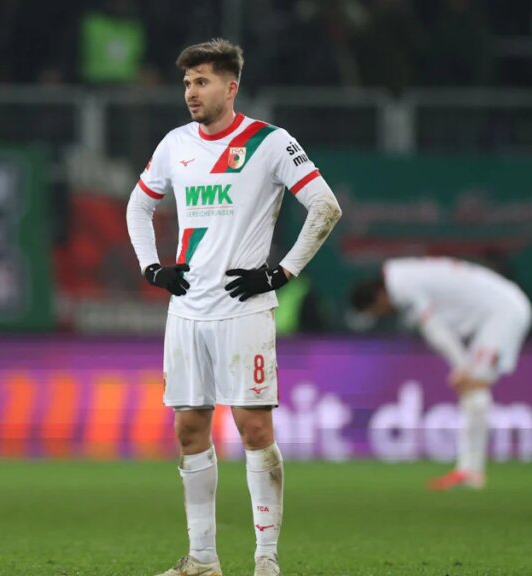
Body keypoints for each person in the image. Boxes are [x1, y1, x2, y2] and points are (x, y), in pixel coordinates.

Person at [126, 38, 343, 576]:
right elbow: (138, 205)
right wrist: (151, 267)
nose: (190, 92)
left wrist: (281, 272)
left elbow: (325, 206)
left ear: (231, 87)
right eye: (186, 82)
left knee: (254, 430)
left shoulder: (270, 142)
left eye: (201, 82)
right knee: (189, 430)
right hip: (186, 311)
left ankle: (266, 559)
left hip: (243, 310)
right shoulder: (175, 144)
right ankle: (203, 559)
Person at [350, 257, 532, 490]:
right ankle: (469, 470)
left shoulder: (401, 286)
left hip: (503, 312)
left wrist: (460, 365)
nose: (384, 313)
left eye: (378, 311)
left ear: (379, 296)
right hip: (499, 310)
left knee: (473, 385)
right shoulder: (401, 273)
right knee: (472, 387)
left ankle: (470, 472)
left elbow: (435, 329)